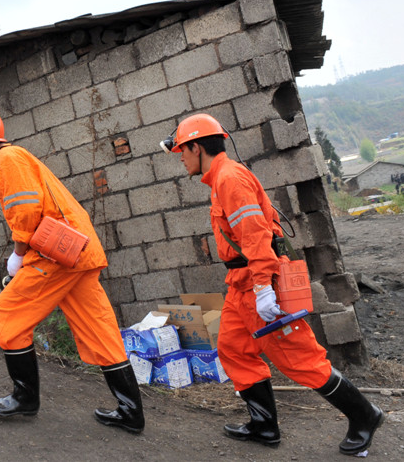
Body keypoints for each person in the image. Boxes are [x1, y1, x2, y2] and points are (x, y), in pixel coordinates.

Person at [164, 113, 383, 455]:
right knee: (234, 349)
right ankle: (264, 426)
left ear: (196, 146)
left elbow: (256, 238)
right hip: (242, 284)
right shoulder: (221, 177)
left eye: (182, 150)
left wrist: (265, 289)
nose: (180, 157)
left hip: (258, 282)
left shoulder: (229, 179)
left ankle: (365, 415)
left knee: (300, 360)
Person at [0, 108, 144, 433]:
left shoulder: (8, 159)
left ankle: (25, 398)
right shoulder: (15, 157)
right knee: (100, 330)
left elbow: (26, 212)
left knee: (6, 319)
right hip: (77, 252)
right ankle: (131, 411)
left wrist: (17, 255)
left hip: (57, 255)